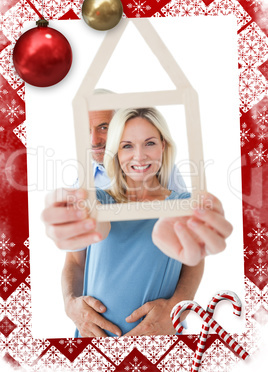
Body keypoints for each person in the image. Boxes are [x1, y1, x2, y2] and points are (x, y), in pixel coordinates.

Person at [43, 107, 232, 337]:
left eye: (150, 143)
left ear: (163, 146)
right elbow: (92, 230)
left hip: (161, 342)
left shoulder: (182, 203)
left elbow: (193, 258)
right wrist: (74, 214)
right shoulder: (101, 198)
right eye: (127, 146)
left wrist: (177, 310)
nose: (140, 156)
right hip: (94, 344)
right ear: (116, 153)